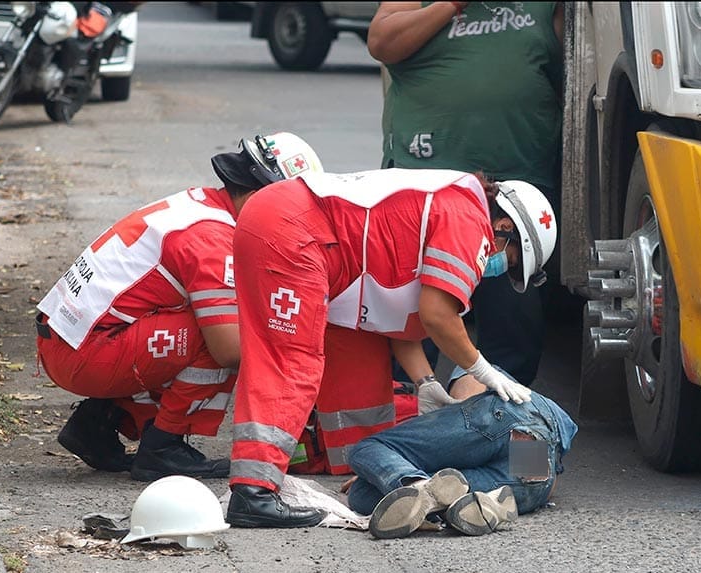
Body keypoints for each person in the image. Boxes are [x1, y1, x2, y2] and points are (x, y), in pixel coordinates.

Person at [226, 167, 558, 528]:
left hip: (519, 427)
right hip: (542, 437)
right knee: (292, 360)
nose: (496, 269)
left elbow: (400, 320)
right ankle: (254, 490)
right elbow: (437, 315)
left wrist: (427, 382)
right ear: (505, 228)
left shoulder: (450, 204)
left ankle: (411, 486)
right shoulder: (468, 216)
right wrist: (482, 369)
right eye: (508, 261)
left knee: (368, 457)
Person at [35, 131, 323, 482]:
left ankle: (97, 422)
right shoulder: (215, 239)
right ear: (261, 195)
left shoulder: (202, 205)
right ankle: (164, 447)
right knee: (230, 334)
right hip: (83, 352)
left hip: (71, 339)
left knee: (198, 320)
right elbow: (229, 349)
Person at [368, 1, 565, 386]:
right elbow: (382, 41)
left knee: (513, 324)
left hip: (514, 188)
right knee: (410, 317)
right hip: (425, 184)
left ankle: (493, 422)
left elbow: (570, 74)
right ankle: (405, 412)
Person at [346, 365, 578, 539]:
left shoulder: (479, 373)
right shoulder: (544, 413)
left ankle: (416, 484)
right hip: (536, 480)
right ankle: (483, 503)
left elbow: (468, 428)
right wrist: (383, 471)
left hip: (508, 417)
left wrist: (385, 466)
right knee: (361, 494)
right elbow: (547, 484)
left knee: (368, 448)